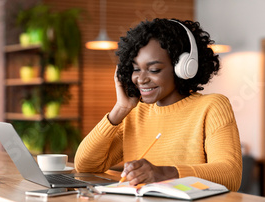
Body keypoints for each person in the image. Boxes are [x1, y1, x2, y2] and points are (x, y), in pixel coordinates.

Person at [74, 18, 242, 191]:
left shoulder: (212, 106)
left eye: (154, 70)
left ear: (183, 68)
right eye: (136, 69)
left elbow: (230, 175)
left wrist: (162, 174)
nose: (141, 79)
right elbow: (85, 166)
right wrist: (120, 110)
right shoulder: (135, 112)